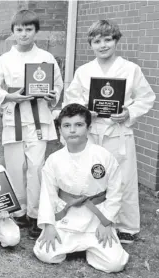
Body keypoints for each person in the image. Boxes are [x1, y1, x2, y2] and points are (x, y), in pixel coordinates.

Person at [62, 20, 155, 244]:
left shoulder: (131, 69)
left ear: (116, 41)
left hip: (118, 131)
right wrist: (85, 112)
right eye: (97, 41)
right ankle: (93, 219)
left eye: (108, 40)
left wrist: (129, 113)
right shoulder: (84, 71)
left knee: (123, 178)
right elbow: (71, 99)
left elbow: (146, 97)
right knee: (90, 175)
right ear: (90, 44)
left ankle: (127, 226)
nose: (103, 45)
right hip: (92, 132)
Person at [0, 10, 63, 238]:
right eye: (19, 30)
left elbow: (57, 86)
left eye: (29, 29)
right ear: (13, 32)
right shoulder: (4, 60)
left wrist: (53, 97)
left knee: (36, 168)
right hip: (14, 118)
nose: (24, 34)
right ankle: (17, 211)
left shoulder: (47, 58)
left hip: (39, 118)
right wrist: (10, 97)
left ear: (36, 31)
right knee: (13, 165)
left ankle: (34, 214)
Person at [34, 104, 129, 273]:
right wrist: (48, 225)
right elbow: (48, 195)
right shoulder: (54, 160)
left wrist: (106, 222)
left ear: (89, 127)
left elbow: (116, 191)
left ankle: (89, 247)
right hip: (67, 216)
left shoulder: (103, 156)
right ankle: (77, 245)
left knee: (115, 264)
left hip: (96, 217)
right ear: (60, 129)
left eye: (79, 125)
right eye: (67, 125)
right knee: (45, 254)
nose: (72, 130)